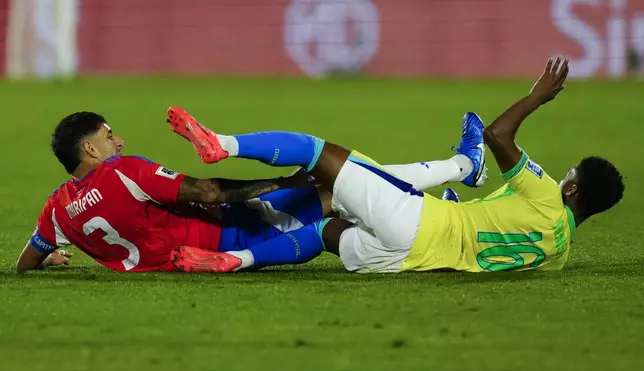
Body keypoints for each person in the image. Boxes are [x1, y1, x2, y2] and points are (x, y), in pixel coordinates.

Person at [168, 56, 624, 273]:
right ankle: (235, 259)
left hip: (418, 227)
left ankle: (222, 144)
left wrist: (537, 96)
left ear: (572, 190)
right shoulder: (558, 256)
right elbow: (487, 233)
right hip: (414, 261)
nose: (562, 177)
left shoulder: (546, 194)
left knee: (319, 153)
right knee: (327, 231)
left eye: (569, 176)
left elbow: (498, 134)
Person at [16, 109, 481, 273]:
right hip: (235, 234)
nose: (118, 141)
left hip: (178, 261)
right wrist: (282, 182)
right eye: (108, 135)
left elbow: (26, 261)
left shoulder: (58, 210)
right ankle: (464, 165)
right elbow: (209, 192)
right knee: (342, 178)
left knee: (354, 188)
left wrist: (53, 258)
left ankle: (450, 183)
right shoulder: (124, 172)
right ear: (90, 149)